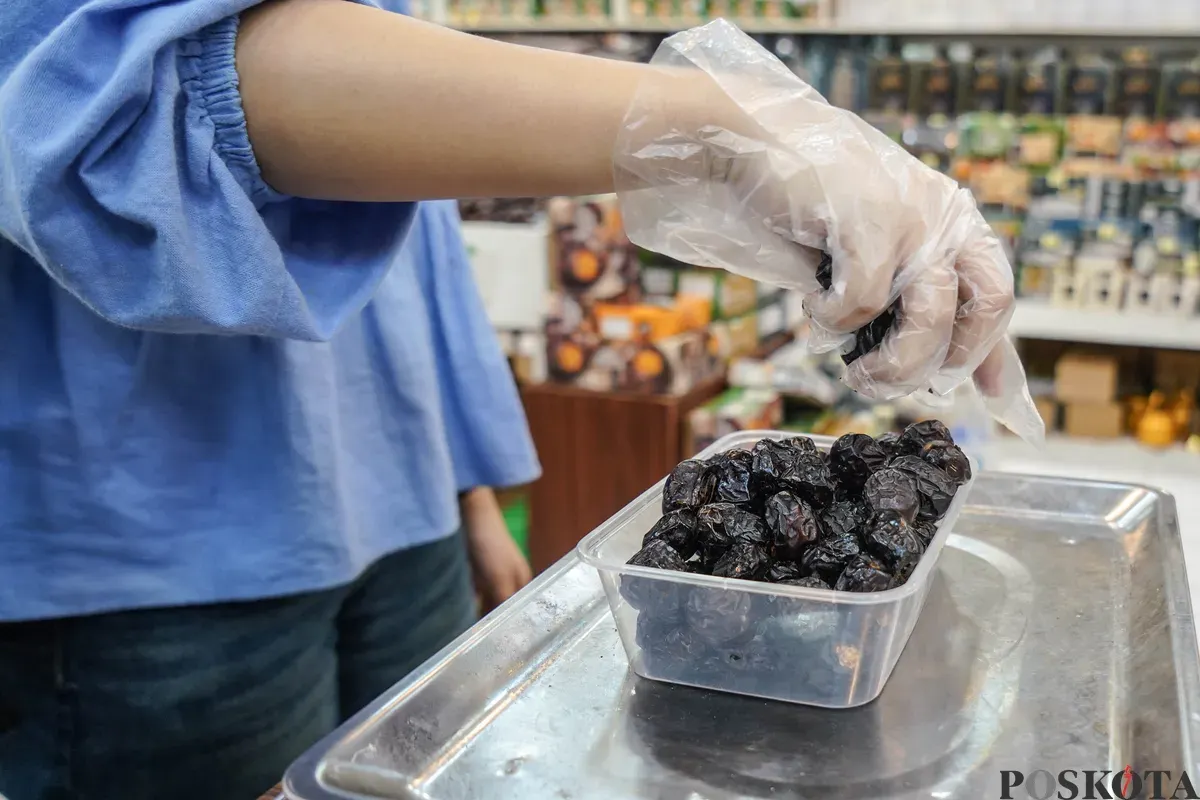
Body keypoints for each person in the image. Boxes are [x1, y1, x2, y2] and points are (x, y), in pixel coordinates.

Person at [0, 1, 1030, 798]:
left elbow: (415, 248)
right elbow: (120, 95)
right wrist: (719, 126)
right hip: (154, 547)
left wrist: (468, 483)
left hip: (399, 509)